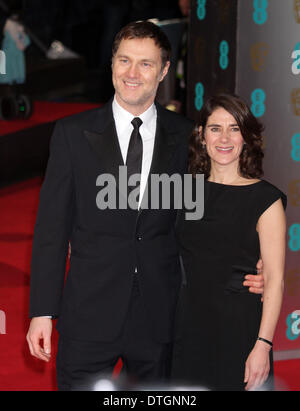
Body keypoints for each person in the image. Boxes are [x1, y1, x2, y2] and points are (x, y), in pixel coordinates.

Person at [26, 22, 263, 390]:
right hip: (89, 312)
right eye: (124, 61)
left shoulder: (188, 136)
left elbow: (205, 220)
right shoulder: (71, 134)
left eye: (146, 64)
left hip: (160, 315)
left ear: (165, 70)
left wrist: (249, 266)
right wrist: (42, 311)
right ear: (112, 64)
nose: (132, 74)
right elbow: (51, 230)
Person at [171, 93, 286, 391]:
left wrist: (263, 345)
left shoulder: (265, 199)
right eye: (215, 128)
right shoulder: (181, 189)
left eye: (234, 128)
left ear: (246, 137)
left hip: (239, 328)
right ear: (201, 135)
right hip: (186, 326)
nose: (224, 138)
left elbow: (274, 279)